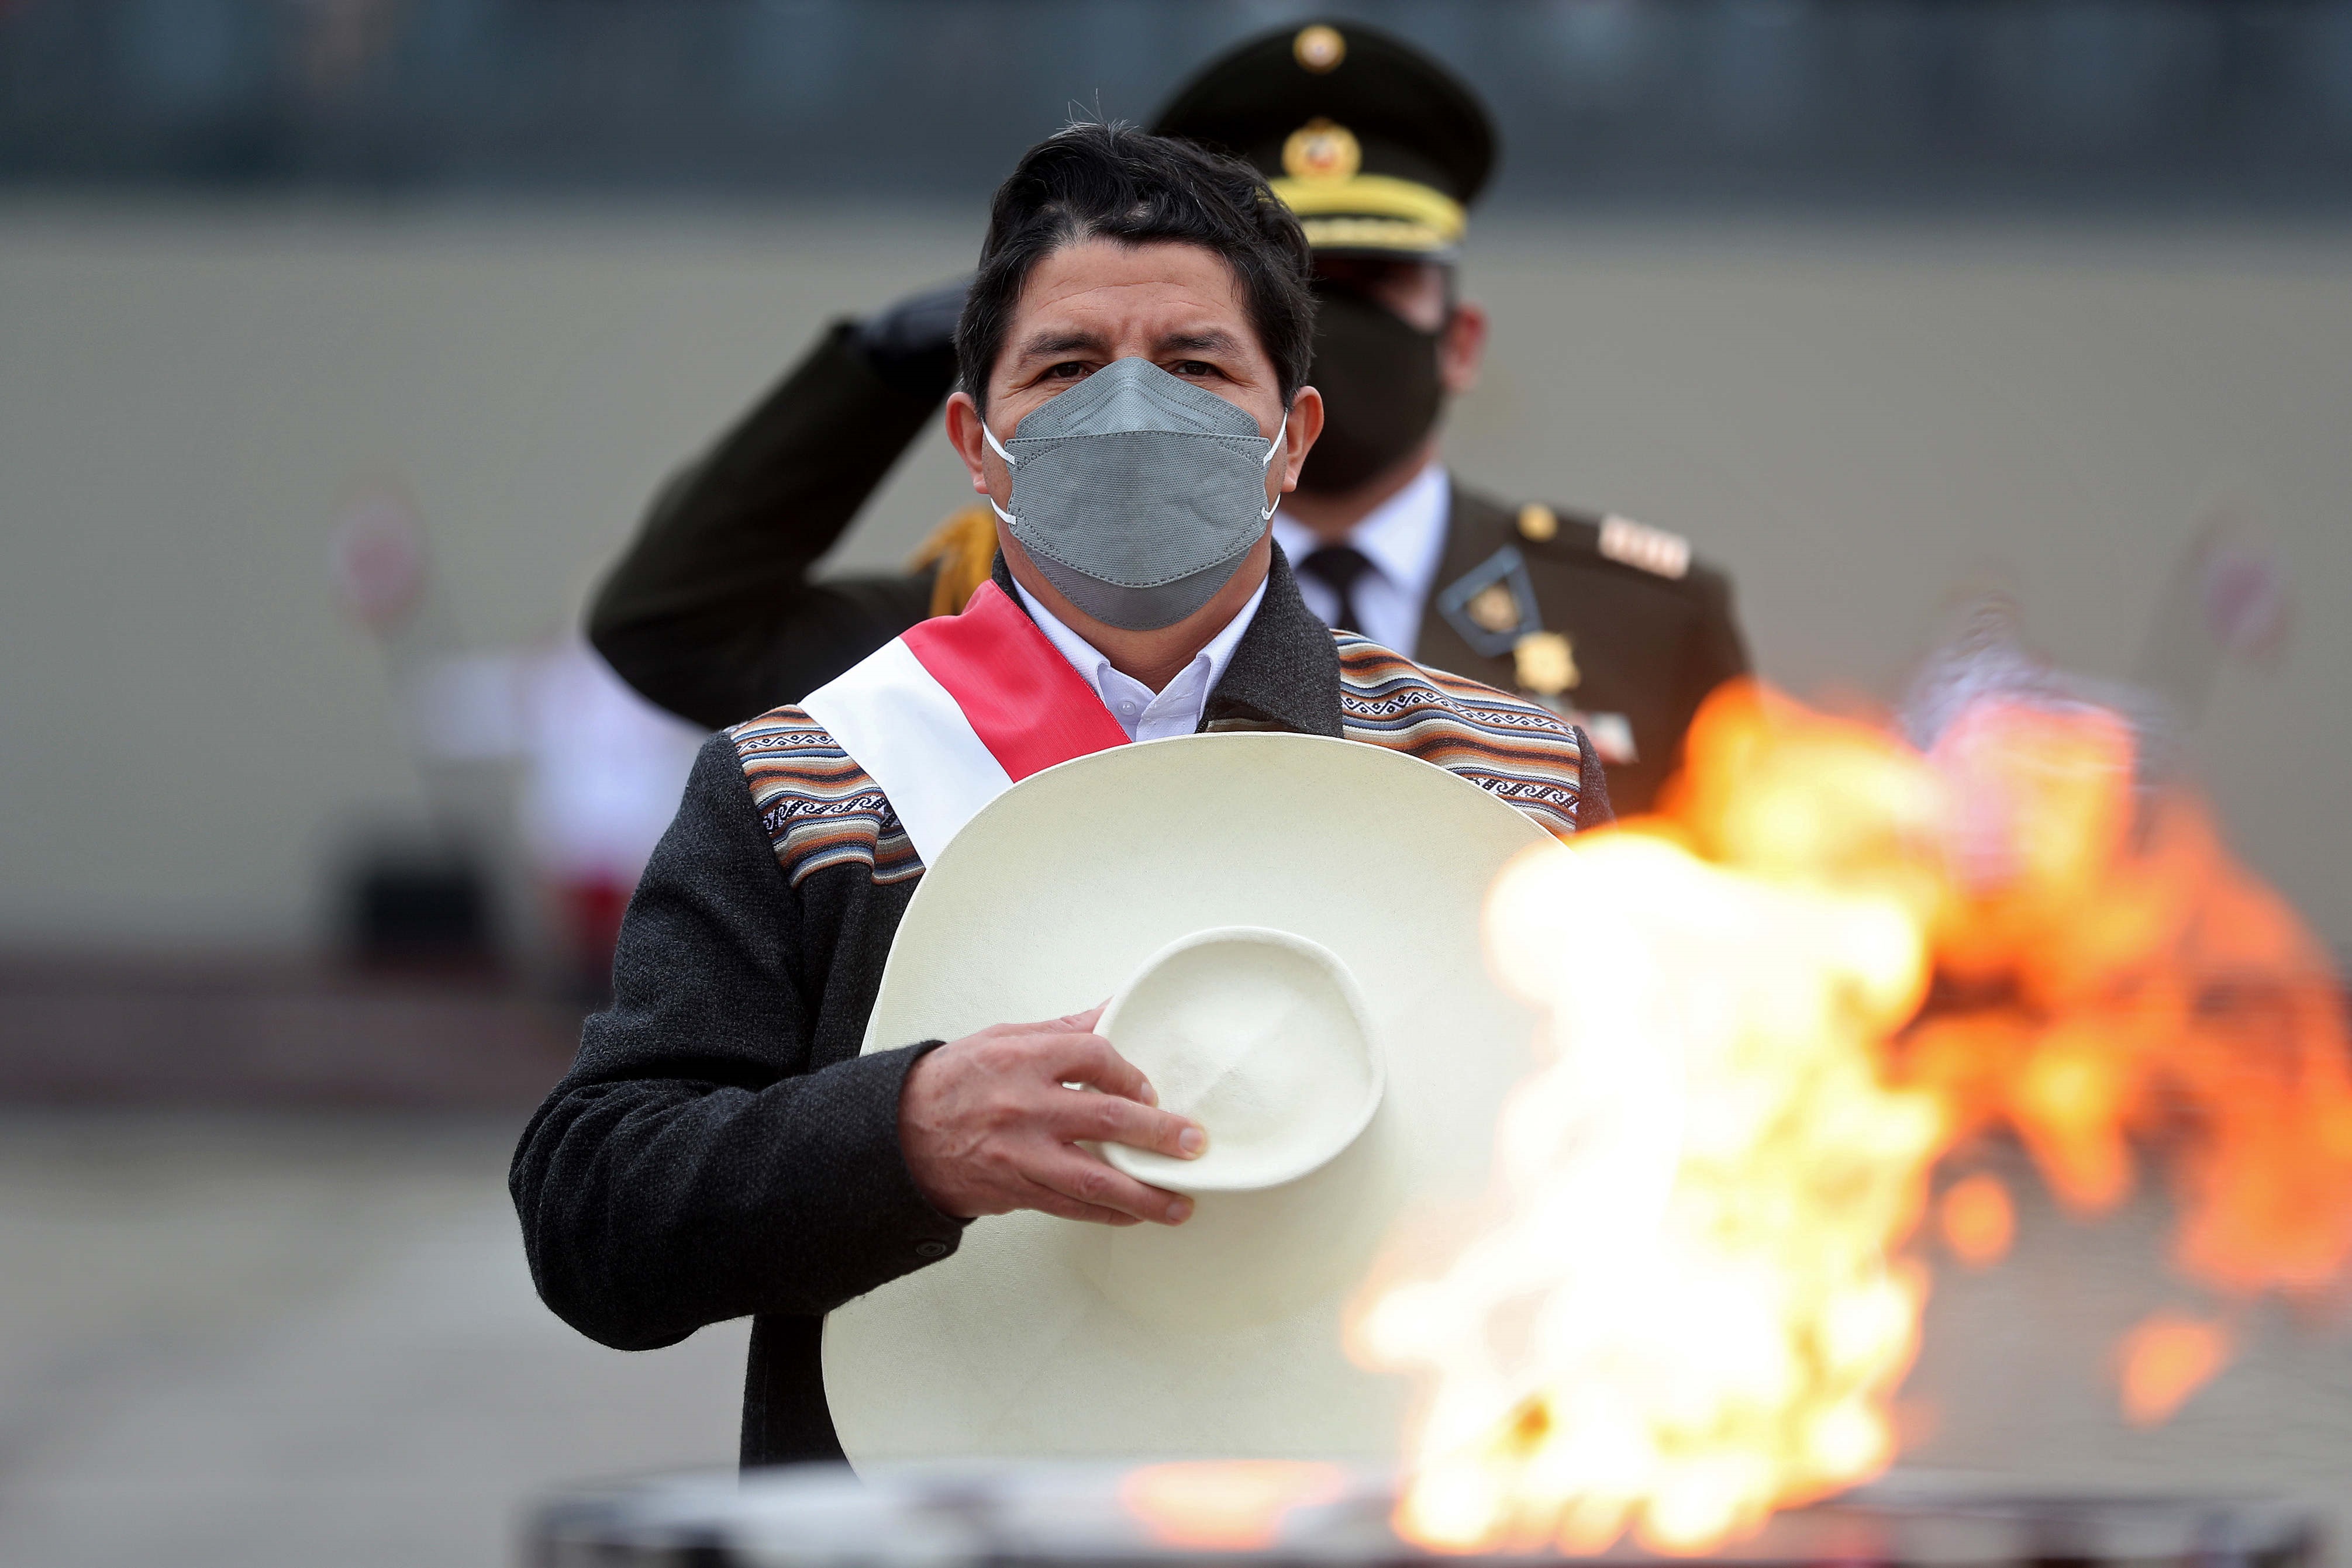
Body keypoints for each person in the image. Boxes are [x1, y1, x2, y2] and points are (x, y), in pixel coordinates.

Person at [512, 122, 1608, 1469]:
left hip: (1384, 1508)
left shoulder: (1501, 779)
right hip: (924, 1524)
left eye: (1198, 365)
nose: (1132, 411)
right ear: (975, 444)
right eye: (1067, 367)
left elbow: (1649, 1184)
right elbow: (591, 1218)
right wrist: (897, 1137)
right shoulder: (809, 780)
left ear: (1292, 438)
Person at [585, 19, 1747, 814]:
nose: (1329, 323)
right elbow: (677, 631)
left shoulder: (1638, 619)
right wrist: (872, 372)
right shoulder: (1017, 604)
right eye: (1292, 290)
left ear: (1460, 338)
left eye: (1373, 284)